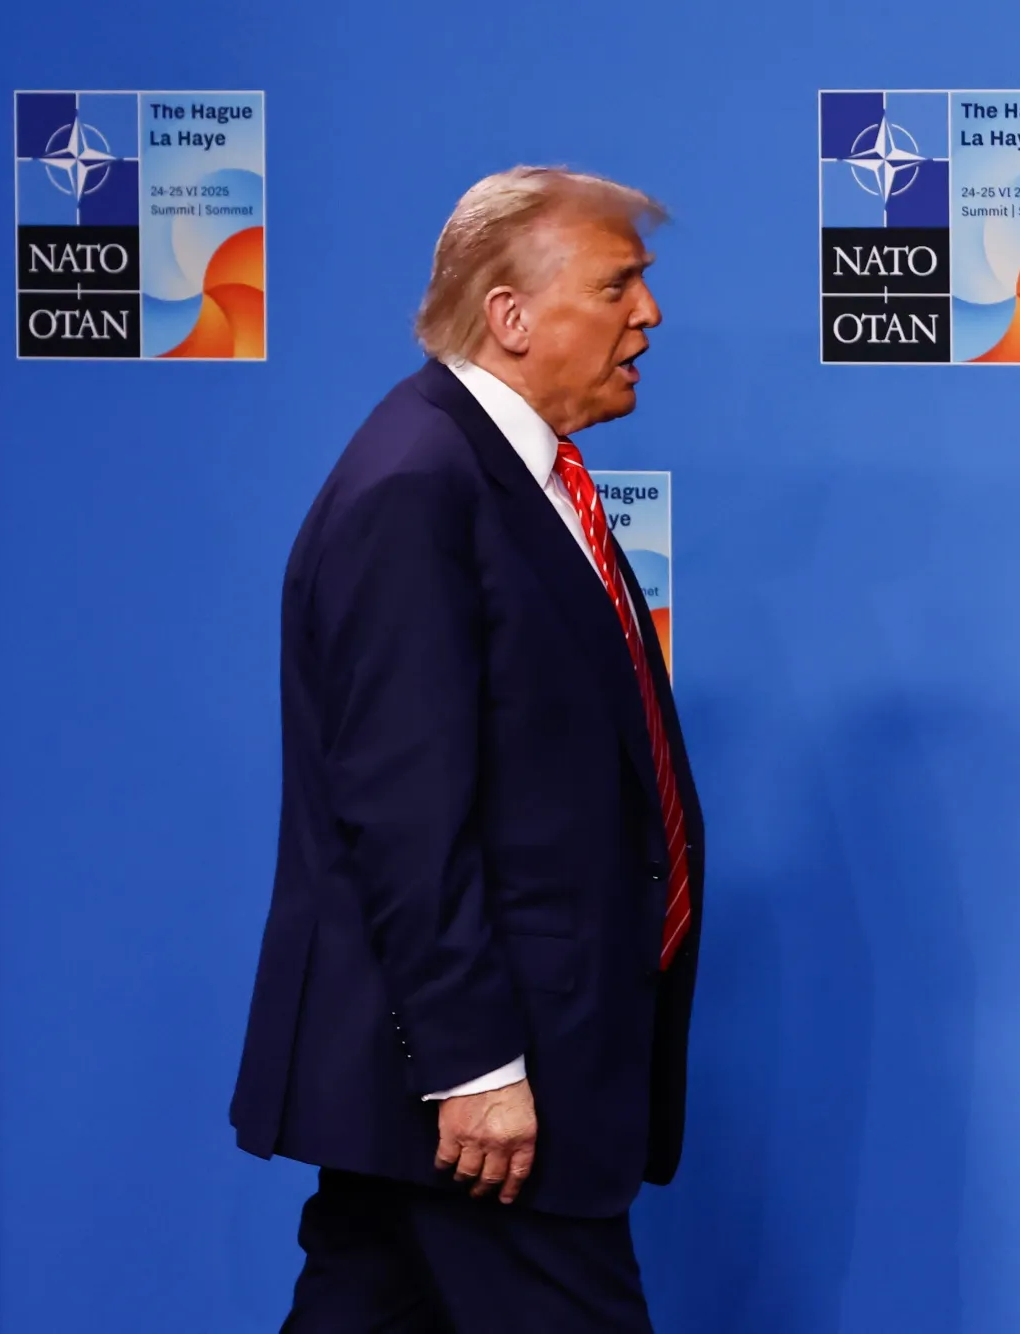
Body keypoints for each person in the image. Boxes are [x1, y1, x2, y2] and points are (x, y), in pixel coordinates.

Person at [229, 166, 704, 1332]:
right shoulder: (419, 484)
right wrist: (476, 1067)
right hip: (489, 1084)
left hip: (475, 1078)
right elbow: (403, 807)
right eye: (618, 284)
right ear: (511, 315)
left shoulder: (518, 478)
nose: (648, 313)